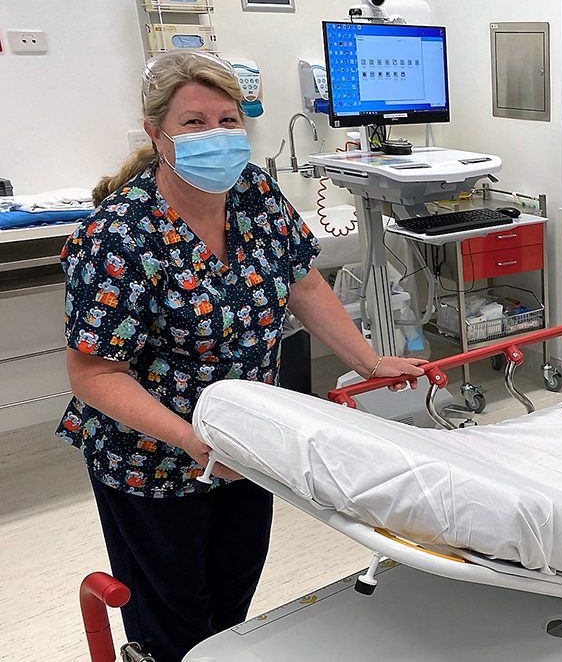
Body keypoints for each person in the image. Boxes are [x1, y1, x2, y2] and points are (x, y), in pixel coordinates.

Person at [57, 50, 426, 662]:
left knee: (233, 607)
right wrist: (198, 444)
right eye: (195, 122)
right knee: (174, 621)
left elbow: (302, 281)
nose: (218, 136)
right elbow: (93, 371)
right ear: (156, 133)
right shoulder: (118, 235)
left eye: (228, 120)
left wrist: (367, 360)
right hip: (151, 462)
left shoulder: (253, 192)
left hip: (249, 443)